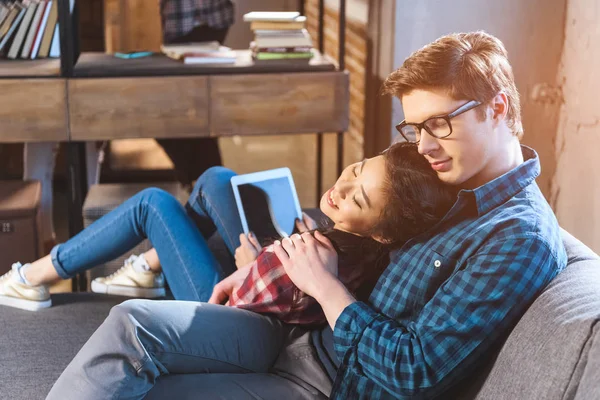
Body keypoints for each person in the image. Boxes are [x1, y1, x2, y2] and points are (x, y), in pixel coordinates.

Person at [41, 31, 566, 399]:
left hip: (322, 382)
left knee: (132, 354)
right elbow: (373, 249)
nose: (424, 145)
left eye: (439, 124)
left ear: (498, 109)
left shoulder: (517, 237)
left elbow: (415, 372)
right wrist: (276, 266)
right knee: (129, 340)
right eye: (414, 128)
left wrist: (323, 287)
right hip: (298, 339)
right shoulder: (452, 182)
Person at [0, 143, 454, 314]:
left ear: (381, 232)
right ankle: (147, 268)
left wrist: (252, 263)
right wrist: (306, 230)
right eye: (355, 169)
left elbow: (252, 300)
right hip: (266, 267)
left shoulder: (331, 259)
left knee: (153, 204)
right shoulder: (349, 240)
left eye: (356, 197)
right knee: (218, 179)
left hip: (224, 304)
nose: (341, 184)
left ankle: (32, 278)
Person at [156, 0, 235, 187]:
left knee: (186, 113)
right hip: (191, 19)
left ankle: (204, 186)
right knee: (195, 113)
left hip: (195, 21)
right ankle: (205, 187)